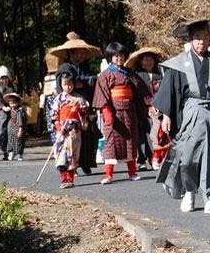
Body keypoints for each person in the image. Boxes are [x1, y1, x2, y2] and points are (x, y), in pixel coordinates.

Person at [154, 19, 210, 214]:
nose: (202, 42)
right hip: (191, 111)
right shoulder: (179, 64)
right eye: (197, 38)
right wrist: (166, 115)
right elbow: (170, 92)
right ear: (190, 40)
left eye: (205, 37)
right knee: (188, 156)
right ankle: (189, 190)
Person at [92, 42, 153, 184]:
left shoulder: (130, 74)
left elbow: (142, 91)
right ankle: (108, 174)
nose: (119, 58)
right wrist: (107, 113)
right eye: (116, 56)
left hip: (130, 112)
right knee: (112, 143)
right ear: (110, 57)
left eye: (121, 55)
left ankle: (132, 172)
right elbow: (102, 96)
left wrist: (150, 103)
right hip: (114, 113)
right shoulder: (105, 75)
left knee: (131, 142)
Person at [50, 32, 101, 174]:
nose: (81, 55)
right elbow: (68, 85)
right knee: (71, 139)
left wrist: (87, 81)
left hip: (84, 105)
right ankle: (72, 165)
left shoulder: (84, 67)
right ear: (71, 53)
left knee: (88, 134)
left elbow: (88, 80)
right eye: (79, 53)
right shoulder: (65, 68)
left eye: (83, 53)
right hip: (70, 108)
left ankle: (86, 162)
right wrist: (82, 82)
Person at [125, 47, 165, 171]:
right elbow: (137, 94)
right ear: (141, 62)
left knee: (156, 134)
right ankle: (141, 160)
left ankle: (155, 157)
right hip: (141, 109)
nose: (148, 62)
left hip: (158, 109)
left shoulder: (159, 75)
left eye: (151, 59)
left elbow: (163, 92)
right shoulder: (137, 75)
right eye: (145, 60)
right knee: (142, 135)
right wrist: (147, 106)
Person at [51, 73, 90, 188]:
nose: (68, 87)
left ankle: (70, 178)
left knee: (73, 154)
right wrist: (58, 126)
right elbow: (54, 115)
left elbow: (84, 113)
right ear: (61, 85)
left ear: (74, 84)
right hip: (62, 130)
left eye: (70, 84)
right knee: (61, 154)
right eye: (65, 84)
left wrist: (77, 110)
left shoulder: (78, 98)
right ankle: (63, 179)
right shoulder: (58, 98)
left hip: (74, 131)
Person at [0, 65, 16, 160]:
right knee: (2, 133)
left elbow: (16, 98)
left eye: (6, 77)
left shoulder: (13, 87)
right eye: (2, 78)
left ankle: (10, 151)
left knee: (11, 132)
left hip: (12, 110)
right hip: (2, 112)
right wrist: (3, 107)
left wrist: (13, 105)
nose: (5, 80)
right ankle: (5, 152)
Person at [4, 92, 26, 161]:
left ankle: (20, 155)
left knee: (18, 141)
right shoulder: (12, 110)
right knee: (10, 140)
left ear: (17, 103)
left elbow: (20, 121)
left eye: (14, 103)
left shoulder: (19, 111)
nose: (12, 105)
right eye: (10, 103)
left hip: (17, 127)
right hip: (11, 127)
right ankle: (11, 153)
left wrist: (20, 130)